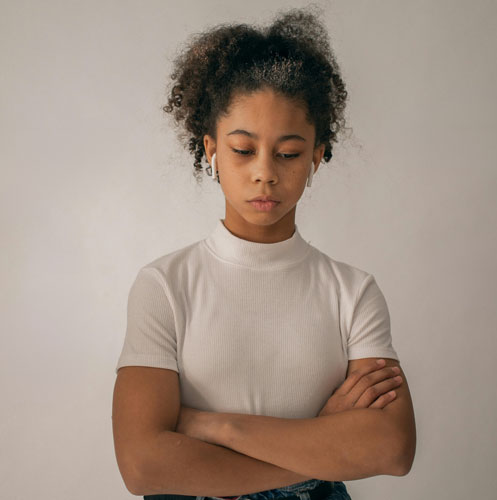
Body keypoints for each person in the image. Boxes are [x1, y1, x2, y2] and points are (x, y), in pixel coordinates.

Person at [112, 6, 416, 500]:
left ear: (317, 156)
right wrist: (320, 446)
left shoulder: (352, 292)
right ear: (211, 150)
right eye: (242, 149)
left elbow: (391, 449)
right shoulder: (164, 285)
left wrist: (216, 428)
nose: (265, 173)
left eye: (290, 153)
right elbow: (144, 466)